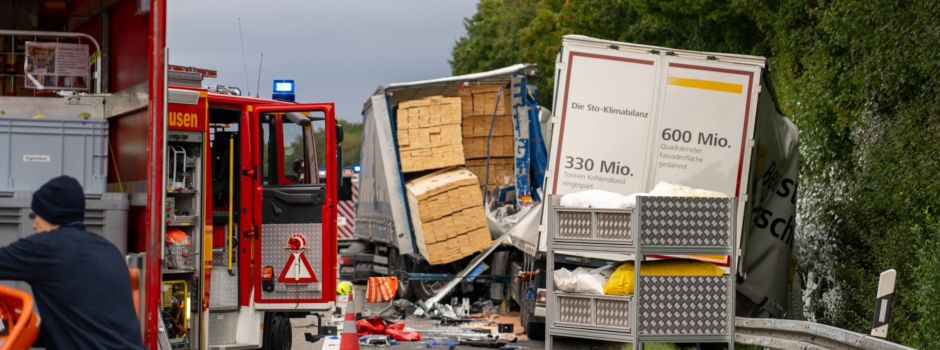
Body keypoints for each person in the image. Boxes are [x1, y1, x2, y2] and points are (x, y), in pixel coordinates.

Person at [0, 176, 143, 349]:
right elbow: (86, 326)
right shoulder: (109, 250)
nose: (34, 225)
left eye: (35, 215)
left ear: (48, 214)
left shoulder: (47, 247)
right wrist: (23, 329)